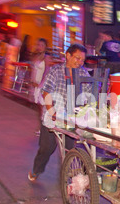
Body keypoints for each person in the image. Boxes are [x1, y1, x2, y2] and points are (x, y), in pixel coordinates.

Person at [28, 44, 91, 182]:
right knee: (47, 147)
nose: (80, 62)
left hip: (71, 118)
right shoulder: (56, 71)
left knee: (69, 149)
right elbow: (46, 92)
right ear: (68, 55)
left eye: (82, 60)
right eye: (77, 58)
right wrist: (52, 112)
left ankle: (67, 178)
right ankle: (36, 170)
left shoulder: (83, 73)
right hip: (52, 115)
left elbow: (89, 93)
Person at [31, 38, 52, 104]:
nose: (40, 47)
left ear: (45, 47)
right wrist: (33, 80)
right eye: (39, 45)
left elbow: (47, 71)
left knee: (42, 102)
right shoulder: (37, 55)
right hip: (36, 82)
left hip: (42, 82)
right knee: (37, 101)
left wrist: (41, 83)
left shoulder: (46, 57)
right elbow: (34, 69)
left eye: (42, 45)